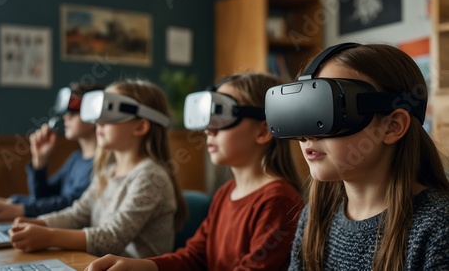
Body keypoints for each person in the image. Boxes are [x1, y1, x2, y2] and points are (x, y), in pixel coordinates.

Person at [85, 73, 304, 270]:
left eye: (222, 115)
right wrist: (140, 266)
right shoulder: (225, 193)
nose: (209, 130)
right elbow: (194, 257)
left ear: (263, 131)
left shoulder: (279, 201)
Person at [281, 43, 449, 270]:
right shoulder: (316, 215)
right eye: (305, 113)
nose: (306, 135)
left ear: (391, 126)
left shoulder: (438, 224)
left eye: (329, 111)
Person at [7, 80, 188, 258]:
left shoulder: (150, 176)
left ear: (141, 126)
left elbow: (113, 237)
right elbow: (77, 214)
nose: (98, 122)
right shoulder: (107, 172)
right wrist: (39, 223)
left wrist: (50, 237)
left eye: (110, 113)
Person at [0, 82, 104, 224]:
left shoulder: (103, 164)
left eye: (72, 112)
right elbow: (43, 197)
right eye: (65, 112)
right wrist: (39, 161)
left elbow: (71, 205)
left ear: (93, 116)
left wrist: (19, 208)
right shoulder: (75, 159)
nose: (65, 117)